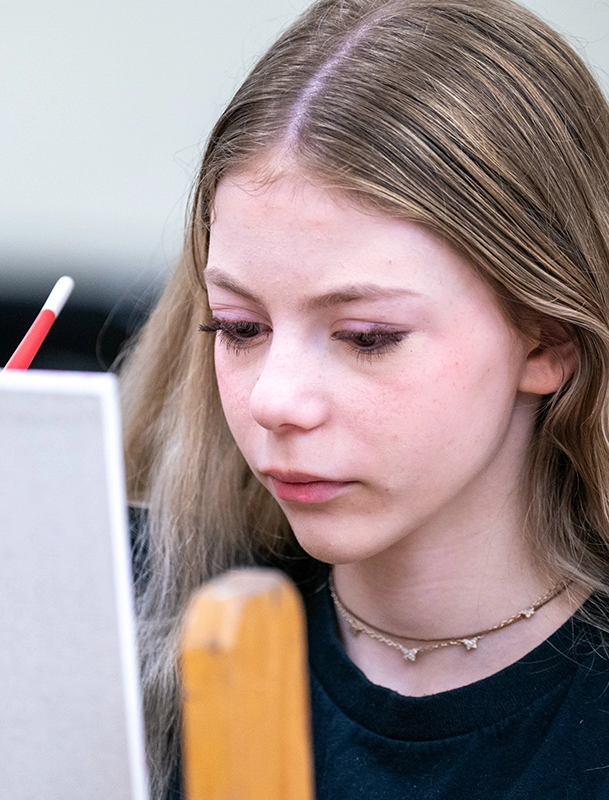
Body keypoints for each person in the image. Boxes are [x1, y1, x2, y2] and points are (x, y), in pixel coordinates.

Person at [119, 0, 609, 796]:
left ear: (547, 339)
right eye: (239, 327)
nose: (275, 401)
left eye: (367, 337)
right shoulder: (121, 630)